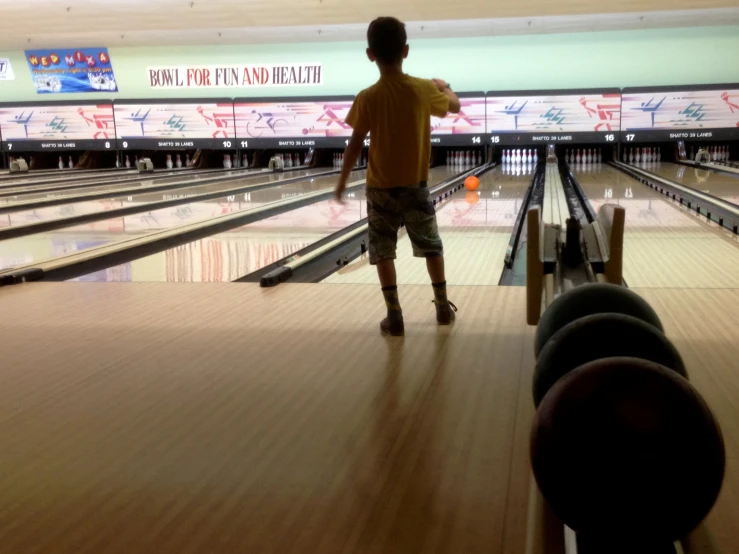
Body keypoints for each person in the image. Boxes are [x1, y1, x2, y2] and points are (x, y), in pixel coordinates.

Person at [334, 16, 461, 337]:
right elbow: (455, 106)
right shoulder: (421, 88)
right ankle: (443, 307)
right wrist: (444, 85)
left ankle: (394, 315)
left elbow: (353, 146)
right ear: (406, 51)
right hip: (415, 187)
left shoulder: (368, 96)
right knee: (431, 246)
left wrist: (341, 181)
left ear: (370, 54)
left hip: (379, 189)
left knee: (382, 250)